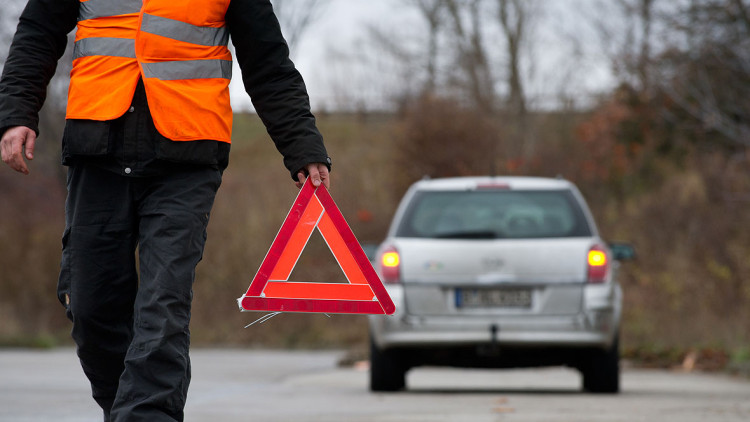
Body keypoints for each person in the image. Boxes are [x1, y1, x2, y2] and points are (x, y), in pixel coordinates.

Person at [0, 0, 331, 420]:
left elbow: (267, 62)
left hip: (186, 158)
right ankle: (126, 411)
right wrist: (15, 114)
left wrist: (302, 146)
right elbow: (36, 33)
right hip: (97, 148)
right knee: (91, 306)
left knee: (163, 304)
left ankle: (146, 415)